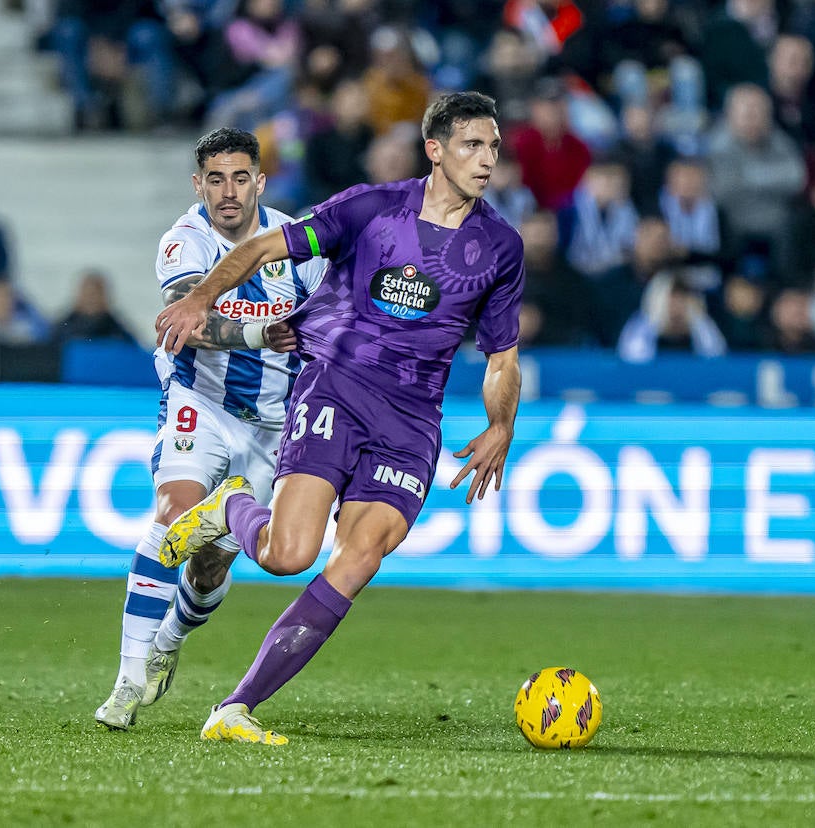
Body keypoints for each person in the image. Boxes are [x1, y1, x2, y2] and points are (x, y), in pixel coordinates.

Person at [154, 91, 524, 745]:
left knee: (360, 558)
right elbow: (265, 249)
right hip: (336, 390)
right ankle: (232, 505)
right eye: (472, 144)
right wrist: (201, 300)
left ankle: (234, 708)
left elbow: (502, 356)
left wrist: (502, 424)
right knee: (286, 555)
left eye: (493, 145)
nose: (487, 158)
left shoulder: (499, 245)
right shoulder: (372, 208)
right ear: (434, 149)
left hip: (412, 422)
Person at [93, 127, 324, 731]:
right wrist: (257, 333)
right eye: (215, 179)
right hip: (201, 403)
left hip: (275, 424)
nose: (228, 191)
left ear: (260, 181)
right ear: (198, 185)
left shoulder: (295, 246)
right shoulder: (184, 241)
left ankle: (170, 636)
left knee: (210, 567)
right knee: (172, 517)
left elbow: (330, 326)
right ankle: (127, 681)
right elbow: (184, 321)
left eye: (240, 177)